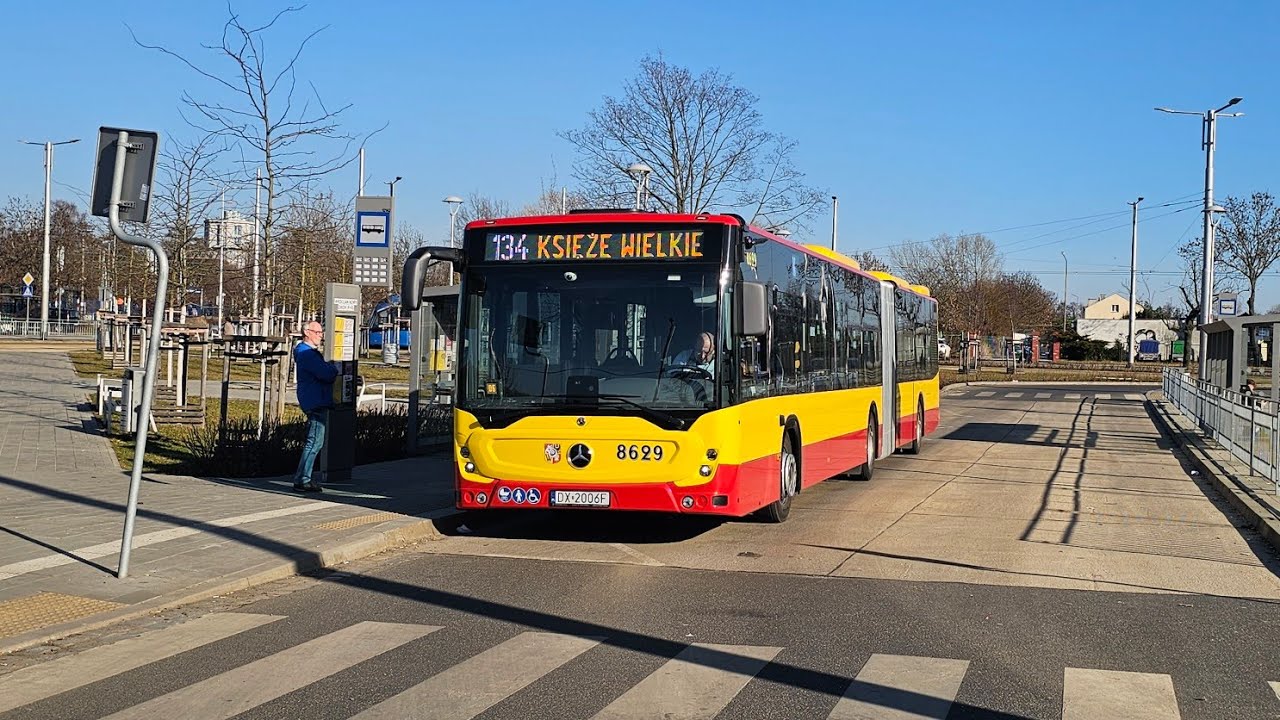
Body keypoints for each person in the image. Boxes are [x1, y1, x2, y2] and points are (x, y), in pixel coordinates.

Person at [293, 321, 339, 492]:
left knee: (314, 441)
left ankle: (303, 477)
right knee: (315, 442)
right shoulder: (308, 354)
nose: (321, 336)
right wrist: (332, 368)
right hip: (316, 400)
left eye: (321, 332)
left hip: (313, 399)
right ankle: (303, 479)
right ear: (307, 332)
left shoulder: (304, 352)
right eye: (317, 332)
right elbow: (327, 374)